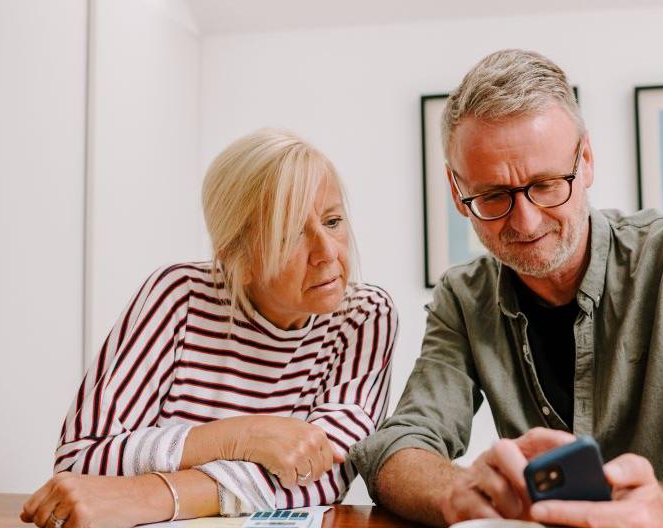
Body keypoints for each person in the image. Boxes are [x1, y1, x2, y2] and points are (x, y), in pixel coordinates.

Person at [349, 49, 663, 528]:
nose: (526, 221)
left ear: (587, 161)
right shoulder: (463, 297)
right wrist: (458, 491)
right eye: (493, 196)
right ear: (458, 193)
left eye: (547, 184)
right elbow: (399, 444)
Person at [21, 129, 396, 528]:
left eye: (333, 221)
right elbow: (80, 459)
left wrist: (153, 495)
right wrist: (243, 436)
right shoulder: (178, 296)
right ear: (237, 259)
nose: (327, 253)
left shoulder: (364, 316)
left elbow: (323, 472)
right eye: (288, 235)